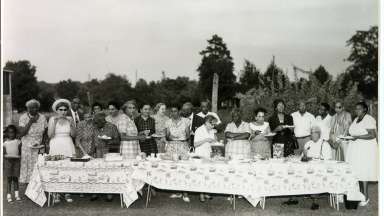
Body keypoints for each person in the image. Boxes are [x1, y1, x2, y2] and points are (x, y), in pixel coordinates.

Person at [345, 102, 378, 206]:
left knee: (364, 173)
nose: (356, 110)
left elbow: (372, 135)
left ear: (365, 109)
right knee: (357, 173)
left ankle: (366, 198)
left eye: (359, 109)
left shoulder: (369, 119)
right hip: (355, 149)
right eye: (356, 109)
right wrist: (348, 136)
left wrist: (357, 137)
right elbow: (353, 132)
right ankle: (359, 196)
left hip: (365, 150)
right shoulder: (356, 119)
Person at [48, 99, 77, 203]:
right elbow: (50, 135)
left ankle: (67, 192)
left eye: (65, 109)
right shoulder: (52, 119)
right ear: (57, 110)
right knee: (56, 169)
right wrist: (55, 122)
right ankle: (56, 193)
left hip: (68, 144)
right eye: (61, 109)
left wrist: (72, 124)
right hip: (56, 144)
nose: (63, 112)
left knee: (68, 168)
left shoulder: (70, 118)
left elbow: (73, 135)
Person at [165, 105, 191, 202]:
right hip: (171, 146)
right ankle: (178, 191)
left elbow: (188, 135)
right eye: (171, 111)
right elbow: (167, 136)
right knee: (174, 169)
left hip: (182, 145)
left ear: (179, 111)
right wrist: (170, 137)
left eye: (175, 111)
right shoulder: (168, 121)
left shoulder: (186, 121)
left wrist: (183, 138)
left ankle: (185, 193)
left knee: (184, 168)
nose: (173, 113)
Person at [19, 99, 48, 184]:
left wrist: (43, 143)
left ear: (38, 108)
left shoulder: (42, 118)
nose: (33, 110)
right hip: (26, 145)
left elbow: (45, 132)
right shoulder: (23, 117)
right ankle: (26, 182)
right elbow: (21, 133)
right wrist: (30, 122)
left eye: (35, 108)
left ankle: (37, 181)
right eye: (30, 108)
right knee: (27, 164)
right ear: (27, 108)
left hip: (39, 145)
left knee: (38, 163)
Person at [194, 115, 218, 203]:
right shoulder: (199, 130)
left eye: (214, 125)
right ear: (207, 122)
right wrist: (206, 139)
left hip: (208, 154)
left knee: (208, 174)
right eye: (212, 124)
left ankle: (207, 192)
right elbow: (195, 144)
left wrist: (214, 136)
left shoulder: (211, 130)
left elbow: (214, 141)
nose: (213, 126)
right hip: (200, 154)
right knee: (201, 174)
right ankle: (201, 194)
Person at [3, 125, 22, 203]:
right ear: (7, 133)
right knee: (9, 179)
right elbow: (4, 154)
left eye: (13, 133)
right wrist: (6, 157)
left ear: (15, 133)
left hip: (16, 162)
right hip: (8, 162)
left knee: (15, 179)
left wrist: (19, 156)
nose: (11, 134)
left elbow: (20, 152)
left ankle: (17, 195)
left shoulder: (18, 142)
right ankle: (9, 195)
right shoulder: (5, 143)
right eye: (10, 133)